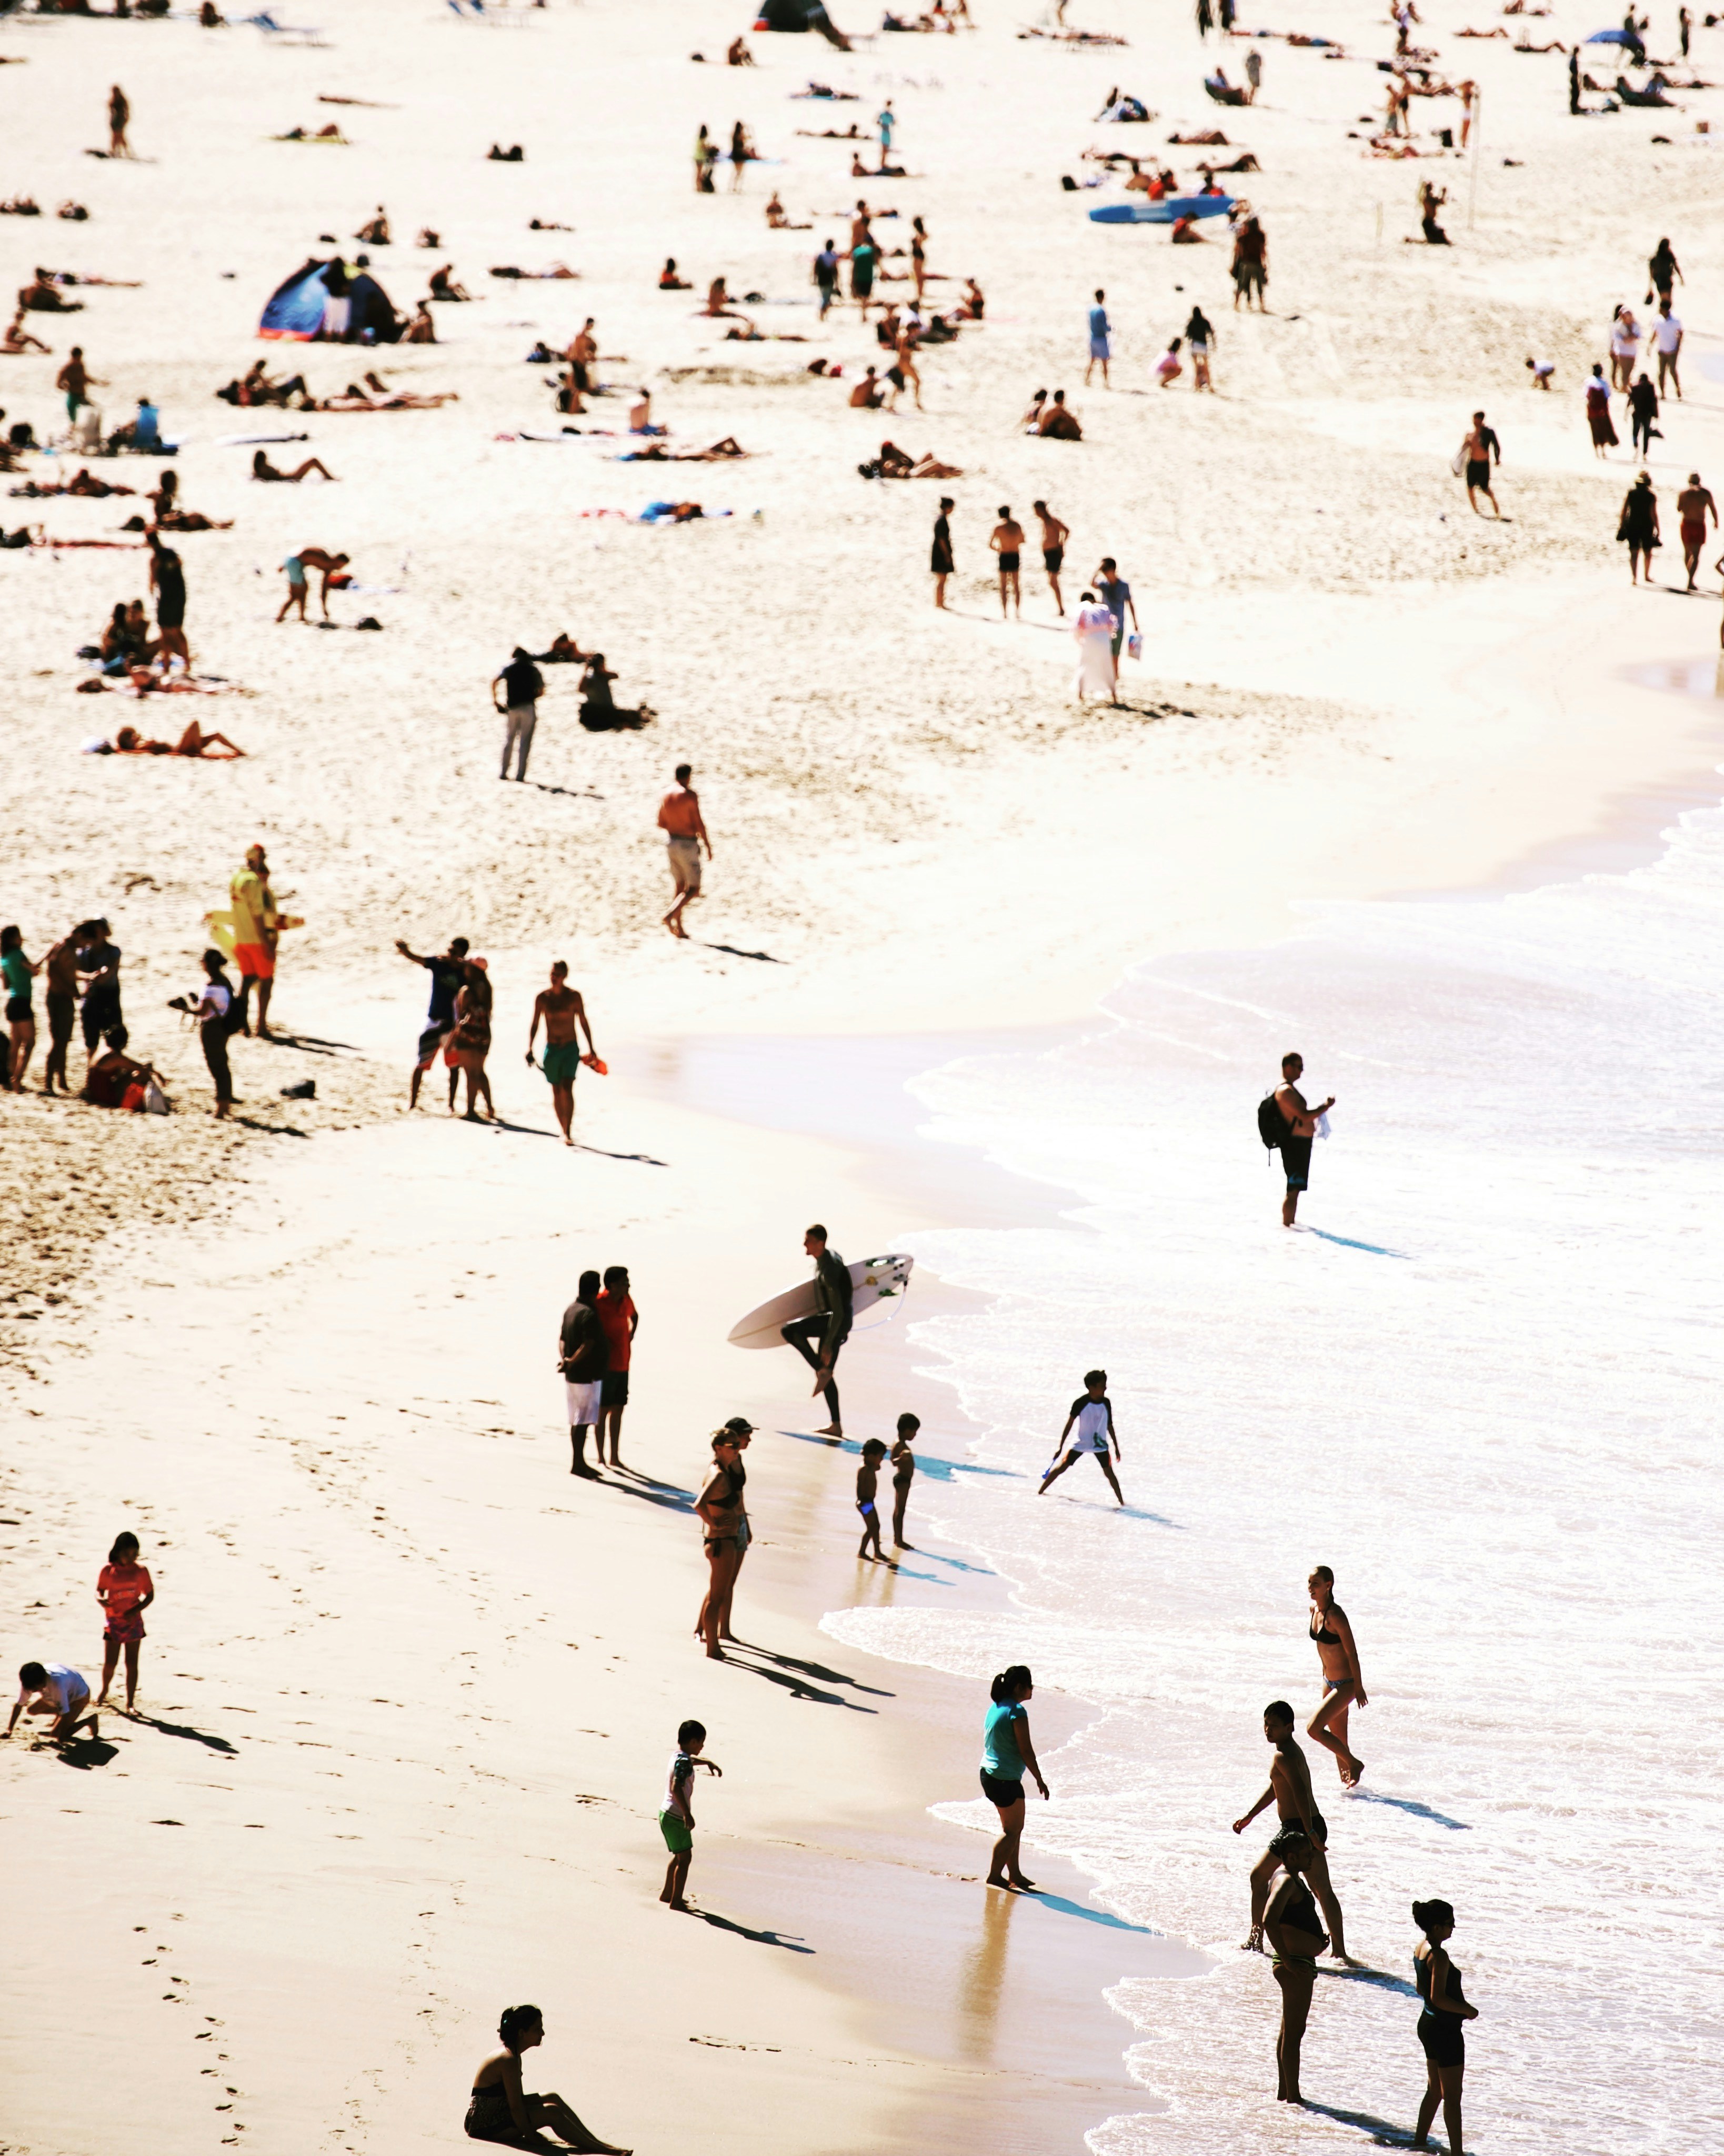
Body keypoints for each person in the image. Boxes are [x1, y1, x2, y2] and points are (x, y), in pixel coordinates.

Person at [1232, 1700, 1352, 1960]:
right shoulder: (1289, 1751)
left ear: (1289, 1727)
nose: (1268, 1730)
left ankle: (1256, 1940)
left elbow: (1298, 1792)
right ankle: (1340, 1951)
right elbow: (1278, 1786)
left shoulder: (1283, 1754)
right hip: (1309, 1824)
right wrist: (1250, 1816)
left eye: (1274, 1726)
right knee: (1322, 1889)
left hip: (1298, 1828)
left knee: (1258, 1877)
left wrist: (1309, 1834)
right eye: (1266, 1724)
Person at [465, 2005, 629, 2153]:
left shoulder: (513, 2054)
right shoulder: (508, 2059)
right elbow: (516, 2106)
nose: (542, 2033)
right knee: (552, 2112)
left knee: (552, 2097)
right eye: (537, 2029)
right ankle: (602, 2149)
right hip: (485, 2125)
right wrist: (531, 2136)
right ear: (522, 2033)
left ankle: (594, 2142)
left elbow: (516, 2102)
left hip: (499, 2113)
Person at [1411, 1899, 1477, 2152]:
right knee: (1452, 2096)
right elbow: (1439, 1997)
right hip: (1444, 2030)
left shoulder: (1420, 1949)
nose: (1454, 1928)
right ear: (1437, 1927)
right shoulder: (1439, 1955)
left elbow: (1421, 1989)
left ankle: (1418, 2142)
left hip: (1427, 2023)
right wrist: (1467, 2010)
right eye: (1450, 1924)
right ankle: (1457, 2153)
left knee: (1434, 2090)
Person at [980, 1666, 1048, 1889]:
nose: (1033, 1689)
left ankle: (1015, 1874)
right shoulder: (1017, 1711)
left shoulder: (997, 1707)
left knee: (1013, 1828)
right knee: (1013, 1831)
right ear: (1020, 1687)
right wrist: (1039, 1779)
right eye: (1030, 1685)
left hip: (989, 1774)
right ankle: (994, 1875)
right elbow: (1026, 1750)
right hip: (1004, 1779)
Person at [780, 1224, 852, 1436]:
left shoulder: (829, 1269)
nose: (804, 1244)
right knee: (826, 1374)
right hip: (834, 1321)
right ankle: (836, 1425)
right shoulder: (830, 1257)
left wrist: (829, 1342)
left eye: (808, 1240)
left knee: (789, 1331)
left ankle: (822, 1370)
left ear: (820, 1243)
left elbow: (838, 1310)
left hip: (835, 1322)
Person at [1262, 1869, 1327, 2105]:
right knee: (1294, 2032)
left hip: (1299, 1961)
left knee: (1289, 2029)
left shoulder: (1291, 1880)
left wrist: (1318, 1944)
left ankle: (1285, 2092)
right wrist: (1288, 1960)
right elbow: (1269, 1919)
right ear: (1290, 1856)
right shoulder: (1287, 1880)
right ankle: (1294, 2096)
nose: (1310, 1857)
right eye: (1304, 1853)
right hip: (1295, 1963)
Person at [696, 1420, 754, 1657]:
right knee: (717, 1595)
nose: (737, 1448)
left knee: (718, 1592)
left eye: (737, 1445)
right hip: (721, 1542)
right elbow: (699, 1504)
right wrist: (714, 1524)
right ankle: (712, 1647)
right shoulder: (719, 1474)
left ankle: (715, 1641)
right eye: (733, 1446)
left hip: (723, 1539)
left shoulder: (722, 1469)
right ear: (719, 1447)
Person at [1306, 1565, 1367, 1785]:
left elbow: (1352, 1653)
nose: (1310, 1588)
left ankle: (1355, 1764)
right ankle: (1348, 1790)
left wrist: (1358, 1688)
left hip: (1346, 1683)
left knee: (1314, 1729)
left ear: (1328, 1585)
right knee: (1339, 1739)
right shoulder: (1315, 1612)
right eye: (1310, 1583)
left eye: (1316, 1584)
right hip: (1328, 1682)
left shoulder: (1336, 1615)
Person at [397, 933, 469, 1108]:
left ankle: (451, 1105)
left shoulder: (465, 973)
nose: (450, 952)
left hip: (452, 1026)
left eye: (454, 951)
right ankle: (413, 1103)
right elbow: (418, 959)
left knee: (454, 1067)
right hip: (433, 1021)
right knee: (421, 1063)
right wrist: (406, 951)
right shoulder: (439, 964)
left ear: (462, 954)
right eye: (450, 949)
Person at [527, 960, 595, 1145]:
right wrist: (530, 1047)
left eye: (557, 974)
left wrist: (592, 1048)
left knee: (567, 1086)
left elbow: (583, 1021)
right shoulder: (543, 998)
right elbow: (535, 1023)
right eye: (552, 973)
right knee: (556, 1089)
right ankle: (562, 1127)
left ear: (565, 976)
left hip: (570, 1048)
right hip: (552, 1049)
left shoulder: (574, 997)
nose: (553, 976)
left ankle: (568, 1131)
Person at [659, 1719, 723, 1910]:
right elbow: (676, 1787)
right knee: (685, 1859)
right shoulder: (684, 1762)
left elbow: (688, 1763)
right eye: (701, 1742)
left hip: (666, 1813)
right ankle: (676, 1901)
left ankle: (667, 1894)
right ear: (693, 1742)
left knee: (679, 1856)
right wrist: (687, 1814)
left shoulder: (678, 1756)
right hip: (676, 1816)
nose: (703, 1746)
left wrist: (707, 1762)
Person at [1038, 1368, 1125, 1504]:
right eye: (1102, 1386)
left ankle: (1122, 1503)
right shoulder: (1080, 1403)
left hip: (1100, 1445)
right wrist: (1061, 1447)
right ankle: (1040, 1492)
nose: (1105, 1388)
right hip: (1081, 1443)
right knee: (1061, 1468)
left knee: (1110, 1474)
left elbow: (1110, 1425)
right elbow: (1069, 1425)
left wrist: (1116, 1447)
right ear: (1091, 1388)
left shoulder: (1106, 1403)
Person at [168, 948, 237, 1116]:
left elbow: (202, 1012)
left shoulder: (210, 986)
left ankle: (221, 1109)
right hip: (224, 1027)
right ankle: (226, 1104)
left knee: (216, 1066)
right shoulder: (225, 981)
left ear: (206, 964)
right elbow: (219, 1004)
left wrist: (184, 1009)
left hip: (211, 1029)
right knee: (222, 1063)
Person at [1270, 1051, 1332, 1227]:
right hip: (1294, 1145)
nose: (1302, 1071)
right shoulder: (1285, 1091)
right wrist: (1325, 1107)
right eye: (1299, 1066)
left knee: (1295, 1189)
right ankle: (1286, 1227)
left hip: (1300, 1144)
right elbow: (1304, 1116)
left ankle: (1289, 1226)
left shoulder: (1289, 1089)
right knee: (1293, 1188)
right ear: (1288, 1067)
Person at [94, 1530, 154, 1710]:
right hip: (114, 1622)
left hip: (133, 1623)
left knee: (131, 1663)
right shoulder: (108, 1571)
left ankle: (130, 1703)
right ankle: (104, 1690)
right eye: (128, 1554)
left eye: (135, 1554)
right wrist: (101, 1600)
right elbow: (99, 1590)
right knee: (110, 1664)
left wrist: (135, 1611)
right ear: (118, 1551)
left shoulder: (141, 1572)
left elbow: (150, 1596)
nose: (131, 1558)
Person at [228, 843, 279, 1039]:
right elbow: (258, 915)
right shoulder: (254, 882)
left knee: (247, 982)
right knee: (267, 982)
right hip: (257, 941)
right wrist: (266, 943)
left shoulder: (237, 878)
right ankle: (262, 1026)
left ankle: (243, 1024)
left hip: (241, 938)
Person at [559, 1270, 608, 1475]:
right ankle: (578, 1464)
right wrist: (573, 1361)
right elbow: (588, 1345)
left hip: (574, 1373)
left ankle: (578, 1461)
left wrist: (566, 1360)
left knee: (579, 1419)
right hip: (587, 1375)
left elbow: (562, 1340)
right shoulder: (589, 1313)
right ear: (596, 1290)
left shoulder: (571, 1309)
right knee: (583, 1421)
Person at [657, 764, 711, 939]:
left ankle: (679, 928)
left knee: (680, 886)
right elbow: (699, 822)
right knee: (694, 889)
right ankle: (668, 916)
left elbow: (661, 822)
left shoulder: (666, 794)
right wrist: (708, 845)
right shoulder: (689, 796)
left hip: (671, 842)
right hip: (687, 843)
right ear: (688, 776)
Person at [40, 923, 90, 1095]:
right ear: (80, 935)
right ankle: (48, 1083)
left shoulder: (68, 948)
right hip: (59, 998)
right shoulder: (63, 948)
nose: (84, 946)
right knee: (59, 1042)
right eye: (85, 942)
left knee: (64, 1040)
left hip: (64, 998)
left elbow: (71, 972)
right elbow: (53, 972)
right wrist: (71, 991)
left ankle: (61, 1080)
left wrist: (90, 976)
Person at [595, 1265, 637, 1466]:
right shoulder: (599, 1303)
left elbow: (635, 1316)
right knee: (603, 1411)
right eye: (624, 1282)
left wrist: (631, 1335)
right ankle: (601, 1457)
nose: (628, 1285)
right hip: (605, 1366)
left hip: (623, 1364)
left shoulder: (626, 1300)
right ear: (612, 1285)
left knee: (619, 1409)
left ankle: (615, 1457)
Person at [5, 1660, 97, 1744]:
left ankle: (90, 1720)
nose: (33, 1691)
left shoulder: (57, 1684)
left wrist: (61, 1738)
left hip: (79, 1696)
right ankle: (60, 1715)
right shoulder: (29, 1680)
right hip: (63, 1693)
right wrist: (10, 1730)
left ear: (42, 1681)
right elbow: (19, 1705)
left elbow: (65, 1714)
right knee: (32, 1710)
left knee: (57, 1734)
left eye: (35, 1689)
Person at [447, 957, 494, 1121]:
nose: (465, 968)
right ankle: (489, 1107)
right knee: (480, 1072)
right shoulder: (487, 988)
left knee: (470, 1074)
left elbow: (461, 1018)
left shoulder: (467, 991)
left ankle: (471, 1111)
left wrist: (452, 1039)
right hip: (484, 1033)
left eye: (467, 966)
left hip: (467, 1036)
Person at [492, 645, 544, 783]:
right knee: (525, 742)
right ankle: (520, 775)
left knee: (509, 739)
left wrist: (496, 701)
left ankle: (504, 772)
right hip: (528, 707)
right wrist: (533, 696)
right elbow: (542, 690)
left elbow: (495, 681)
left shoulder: (509, 668)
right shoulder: (533, 669)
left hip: (512, 708)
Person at [76, 920, 123, 1062]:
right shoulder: (83, 953)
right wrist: (91, 977)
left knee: (115, 1041)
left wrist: (90, 978)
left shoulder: (113, 952)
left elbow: (105, 976)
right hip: (93, 1001)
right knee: (92, 1044)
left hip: (109, 1000)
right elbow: (77, 972)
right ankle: (91, 1076)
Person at [1, 924, 42, 1091]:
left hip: (12, 1003)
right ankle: (17, 1079)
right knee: (30, 1043)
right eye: (19, 936)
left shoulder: (5, 959)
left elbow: (6, 985)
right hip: (22, 1002)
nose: (22, 939)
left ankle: (10, 1079)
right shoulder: (18, 954)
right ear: (13, 939)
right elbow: (34, 971)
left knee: (16, 1044)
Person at [147, 531, 188, 665]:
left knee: (165, 631)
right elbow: (180, 564)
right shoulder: (172, 553)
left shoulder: (155, 559)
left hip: (167, 596)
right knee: (177, 629)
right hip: (180, 594)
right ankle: (187, 663)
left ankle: (166, 666)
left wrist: (152, 591)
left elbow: (152, 581)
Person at [277, 547, 348, 623]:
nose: (340, 568)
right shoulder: (328, 566)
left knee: (304, 589)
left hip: (291, 557)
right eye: (341, 566)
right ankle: (280, 617)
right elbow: (323, 590)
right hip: (295, 563)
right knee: (295, 595)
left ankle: (302, 617)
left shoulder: (325, 554)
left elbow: (305, 550)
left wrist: (285, 564)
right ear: (337, 560)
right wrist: (324, 608)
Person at [1073, 590, 1118, 703]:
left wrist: (1080, 641)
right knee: (1107, 667)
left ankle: (1080, 695)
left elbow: (1077, 627)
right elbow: (1112, 625)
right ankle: (1114, 696)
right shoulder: (1103, 608)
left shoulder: (1083, 608)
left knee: (1084, 664)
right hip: (1104, 639)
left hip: (1090, 638)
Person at [1094, 556, 1137, 672]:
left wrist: (1135, 623)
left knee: (1115, 656)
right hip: (1104, 626)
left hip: (1119, 626)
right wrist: (1097, 570)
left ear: (1113, 570)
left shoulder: (1124, 586)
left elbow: (1130, 604)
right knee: (1104, 654)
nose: (1105, 574)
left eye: (1106, 570)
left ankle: (1114, 681)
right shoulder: (1104, 585)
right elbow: (1092, 584)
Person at [855, 1439, 894, 1563]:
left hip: (869, 1502)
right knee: (872, 1527)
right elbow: (861, 1488)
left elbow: (878, 1468)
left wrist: (876, 1464)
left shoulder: (870, 1466)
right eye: (880, 1456)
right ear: (871, 1456)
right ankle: (862, 1552)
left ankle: (877, 1551)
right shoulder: (865, 1469)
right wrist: (864, 1503)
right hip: (865, 1503)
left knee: (876, 1526)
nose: (882, 1459)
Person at [1619, 468, 1660, 584]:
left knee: (1634, 552)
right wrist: (1658, 528)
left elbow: (1624, 511)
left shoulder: (1631, 493)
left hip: (1632, 524)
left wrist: (1622, 525)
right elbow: (1654, 514)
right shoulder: (1651, 496)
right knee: (1647, 552)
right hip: (1647, 525)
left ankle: (1634, 578)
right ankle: (1646, 575)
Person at [1677, 472, 1716, 591]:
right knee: (1696, 555)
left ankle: (1690, 579)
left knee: (1687, 553)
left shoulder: (1684, 493)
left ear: (1689, 481)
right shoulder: (1705, 493)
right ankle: (1690, 581)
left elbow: (1679, 509)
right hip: (1699, 525)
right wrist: (1716, 521)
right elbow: (1712, 507)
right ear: (1699, 481)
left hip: (1686, 524)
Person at [1460, 410, 1500, 517]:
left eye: (1476, 419)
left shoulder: (1488, 433)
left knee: (1485, 488)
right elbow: (1463, 451)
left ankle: (1493, 500)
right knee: (1470, 487)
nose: (1474, 421)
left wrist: (1497, 459)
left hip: (1484, 465)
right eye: (1474, 419)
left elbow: (1496, 446)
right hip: (1472, 464)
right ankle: (1476, 510)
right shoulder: (1470, 435)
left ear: (1481, 420)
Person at [1032, 500, 1069, 615]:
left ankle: (1061, 608)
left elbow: (1066, 530)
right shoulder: (1044, 522)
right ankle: (1060, 608)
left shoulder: (1052, 521)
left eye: (1038, 510)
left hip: (1054, 552)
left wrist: (1061, 544)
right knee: (1052, 582)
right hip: (1049, 553)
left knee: (1053, 581)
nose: (1036, 513)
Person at [889, 1411, 919, 1548]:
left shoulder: (901, 1443)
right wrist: (902, 1459)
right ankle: (898, 1540)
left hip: (905, 1480)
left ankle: (899, 1539)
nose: (915, 1435)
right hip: (902, 1480)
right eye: (914, 1432)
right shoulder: (899, 1444)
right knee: (900, 1511)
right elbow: (893, 1462)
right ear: (907, 1431)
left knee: (900, 1510)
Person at [990, 506, 1025, 619]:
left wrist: (999, 548)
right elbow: (1023, 540)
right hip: (1015, 555)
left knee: (1003, 586)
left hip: (1004, 555)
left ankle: (1005, 613)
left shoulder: (999, 527)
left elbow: (991, 544)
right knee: (1016, 585)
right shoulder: (1017, 525)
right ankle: (1017, 612)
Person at [1231, 215, 1267, 310]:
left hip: (1246, 263)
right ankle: (1262, 306)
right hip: (1257, 263)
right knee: (1259, 286)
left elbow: (1238, 251)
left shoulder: (1243, 237)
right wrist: (1265, 262)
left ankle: (1236, 305)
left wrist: (1236, 264)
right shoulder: (1261, 236)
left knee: (1241, 284)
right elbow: (1263, 250)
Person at [1653, 295, 1683, 398]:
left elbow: (1680, 333)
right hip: (1662, 350)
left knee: (1673, 371)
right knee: (1661, 373)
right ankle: (1663, 393)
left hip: (1672, 351)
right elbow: (1655, 333)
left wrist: (1678, 347)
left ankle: (1678, 389)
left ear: (1666, 310)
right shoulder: (1657, 320)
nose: (1660, 310)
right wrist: (1650, 345)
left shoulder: (1675, 320)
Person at [1586, 362, 1618, 457]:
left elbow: (1585, 396)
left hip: (1591, 411)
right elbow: (1608, 396)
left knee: (1594, 430)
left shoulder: (1588, 381)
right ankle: (1603, 452)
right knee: (1602, 431)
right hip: (1602, 411)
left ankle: (1596, 452)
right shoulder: (1604, 383)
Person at [251, 449, 337, 483]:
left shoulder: (260, 470)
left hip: (291, 476)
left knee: (314, 461)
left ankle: (328, 476)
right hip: (293, 477)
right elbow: (275, 475)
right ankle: (329, 477)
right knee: (314, 461)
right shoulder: (263, 469)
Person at [1628, 370, 1660, 456]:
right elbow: (1654, 402)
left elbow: (1630, 400)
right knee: (1646, 434)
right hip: (1647, 415)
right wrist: (1657, 415)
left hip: (1637, 414)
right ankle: (1644, 453)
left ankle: (1636, 446)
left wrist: (1626, 412)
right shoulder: (1650, 387)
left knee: (1635, 432)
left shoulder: (1635, 388)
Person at [1610, 305, 1641, 393]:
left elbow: (1639, 335)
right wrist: (1625, 339)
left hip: (1632, 351)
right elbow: (1616, 337)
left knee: (1630, 369)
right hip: (1622, 351)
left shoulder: (1635, 325)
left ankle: (1625, 385)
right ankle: (1624, 386)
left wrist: (1633, 337)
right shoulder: (1618, 325)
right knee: (1624, 370)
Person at [931, 495, 955, 608]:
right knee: (942, 578)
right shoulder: (942, 521)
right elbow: (942, 539)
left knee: (942, 578)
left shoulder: (941, 519)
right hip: (940, 551)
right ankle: (940, 602)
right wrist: (947, 554)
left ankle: (940, 601)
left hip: (938, 550)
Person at [1185, 305, 1216, 392]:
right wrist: (1214, 344)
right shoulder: (1205, 321)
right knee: (1206, 367)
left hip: (1194, 345)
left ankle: (1196, 386)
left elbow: (1187, 335)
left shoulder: (1191, 322)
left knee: (1195, 368)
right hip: (1203, 346)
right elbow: (1211, 333)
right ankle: (1210, 386)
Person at [1086, 288, 1111, 387]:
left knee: (1092, 361)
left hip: (1092, 337)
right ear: (1102, 297)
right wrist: (1111, 329)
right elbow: (1104, 326)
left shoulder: (1091, 309)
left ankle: (1087, 380)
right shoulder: (1101, 310)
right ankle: (1106, 383)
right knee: (1104, 363)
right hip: (1101, 338)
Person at [1648, 235, 1681, 304]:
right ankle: (1666, 313)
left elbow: (1651, 271)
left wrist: (1651, 285)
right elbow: (1676, 266)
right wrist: (1681, 277)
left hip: (1660, 280)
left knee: (1664, 300)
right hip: (1666, 280)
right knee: (1668, 300)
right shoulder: (1669, 256)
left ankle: (1664, 312)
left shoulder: (1655, 258)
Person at [108, 84, 131, 158]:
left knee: (120, 135)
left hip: (121, 119)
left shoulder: (122, 100)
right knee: (115, 136)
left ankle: (126, 151)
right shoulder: (113, 100)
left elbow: (127, 110)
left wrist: (126, 119)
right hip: (115, 119)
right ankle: (114, 151)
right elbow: (111, 111)